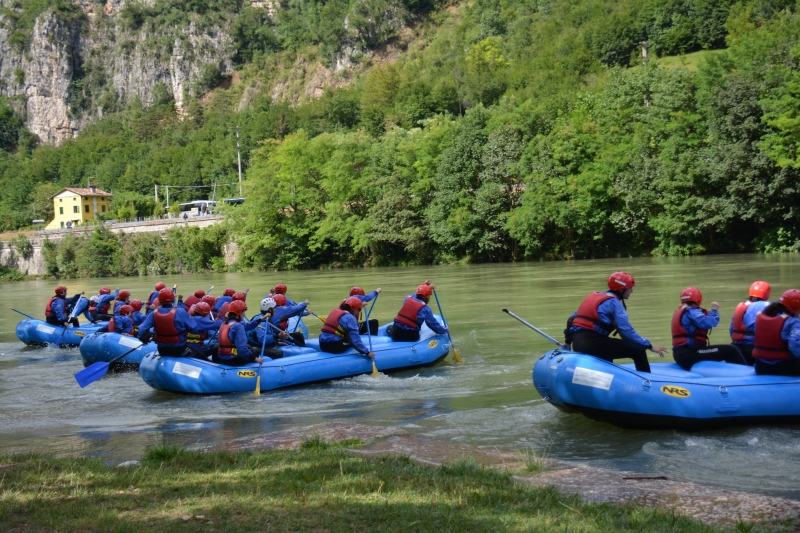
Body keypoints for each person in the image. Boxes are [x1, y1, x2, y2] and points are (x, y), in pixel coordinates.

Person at [566, 271, 668, 373]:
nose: (631, 291)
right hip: (593, 344)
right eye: (630, 288)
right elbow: (627, 331)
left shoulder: (595, 296)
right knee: (639, 350)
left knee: (608, 351)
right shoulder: (614, 303)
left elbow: (571, 319)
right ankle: (647, 381)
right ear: (621, 289)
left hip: (578, 344)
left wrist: (567, 342)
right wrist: (649, 346)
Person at [671, 287, 747, 370]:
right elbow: (709, 322)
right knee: (732, 349)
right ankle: (746, 375)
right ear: (698, 299)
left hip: (680, 354)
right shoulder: (691, 311)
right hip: (689, 354)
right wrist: (714, 310)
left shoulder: (681, 311)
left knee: (726, 350)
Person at [137, 288, 197, 357]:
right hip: (179, 349)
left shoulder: (154, 313)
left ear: (159, 300)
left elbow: (141, 329)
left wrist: (144, 336)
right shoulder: (180, 312)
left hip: (162, 350)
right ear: (173, 299)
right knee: (202, 356)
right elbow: (194, 328)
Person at [752, 289, 800, 376]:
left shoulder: (761, 316)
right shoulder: (793, 322)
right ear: (794, 309)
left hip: (761, 367)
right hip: (784, 367)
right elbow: (794, 346)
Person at [730, 281, 771, 365]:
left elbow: (731, 330)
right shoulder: (766, 305)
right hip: (753, 349)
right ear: (767, 294)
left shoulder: (741, 306)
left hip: (736, 348)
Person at [214, 300, 265, 366]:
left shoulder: (224, 323)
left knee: (249, 347)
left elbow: (246, 326)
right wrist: (255, 358)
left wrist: (260, 320)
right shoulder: (238, 326)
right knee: (254, 350)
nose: (244, 314)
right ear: (239, 313)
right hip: (232, 360)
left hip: (221, 358)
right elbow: (241, 349)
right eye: (244, 312)